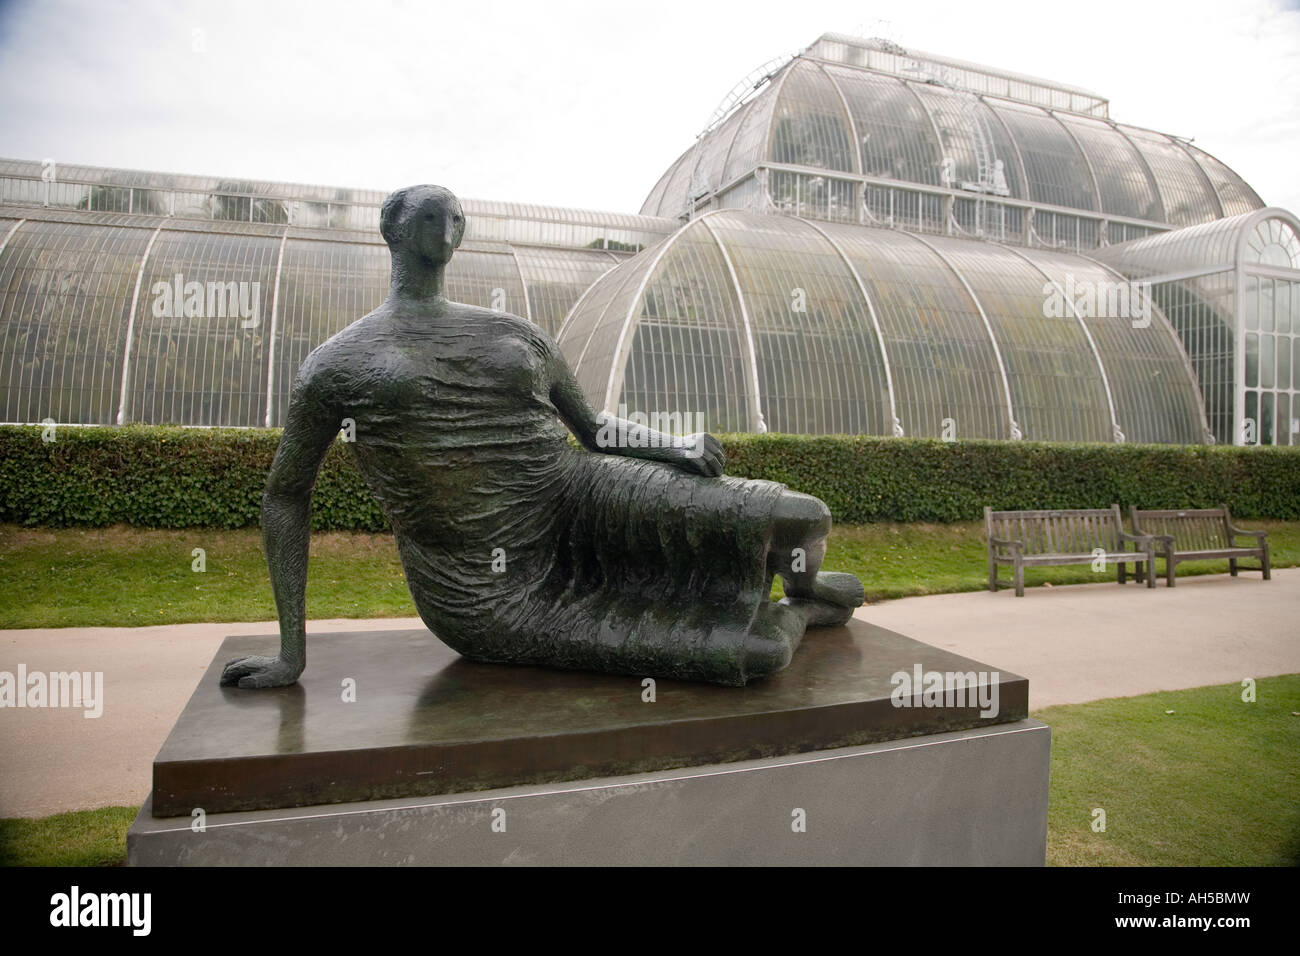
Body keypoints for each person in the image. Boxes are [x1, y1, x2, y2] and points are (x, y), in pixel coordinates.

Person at [221, 185, 863, 690]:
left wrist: (674, 446)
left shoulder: (512, 331)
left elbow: (591, 429)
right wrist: (290, 653)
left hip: (575, 493)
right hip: (485, 587)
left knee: (801, 515)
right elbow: (285, 496)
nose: (445, 232)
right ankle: (800, 611)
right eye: (428, 219)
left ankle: (806, 586)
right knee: (755, 656)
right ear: (392, 230)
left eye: (455, 221)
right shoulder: (337, 363)